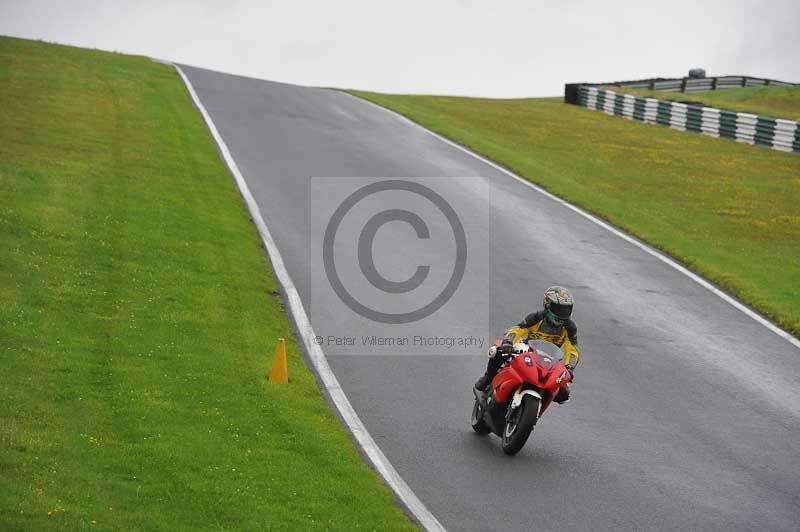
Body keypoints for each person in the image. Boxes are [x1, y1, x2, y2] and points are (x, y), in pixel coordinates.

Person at [474, 285, 580, 404]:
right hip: (528, 350)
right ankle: (487, 379)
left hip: (550, 359)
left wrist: (569, 367)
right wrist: (508, 342)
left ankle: (537, 405)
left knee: (563, 394)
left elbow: (572, 349)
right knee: (497, 352)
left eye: (566, 310)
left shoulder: (570, 327)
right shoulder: (536, 317)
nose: (562, 314)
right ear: (547, 305)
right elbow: (518, 329)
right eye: (558, 309)